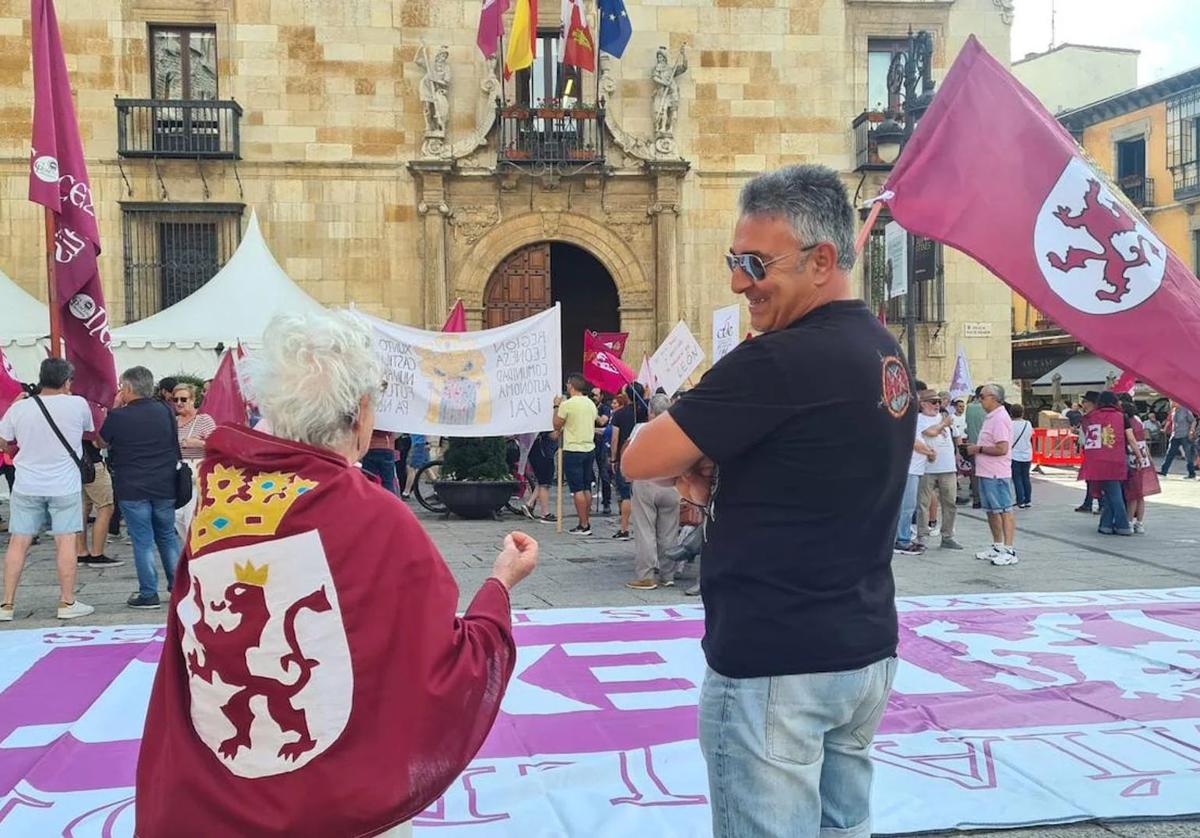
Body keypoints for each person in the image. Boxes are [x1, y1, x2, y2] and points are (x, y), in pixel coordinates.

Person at [135, 309, 537, 837]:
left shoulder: (218, 502)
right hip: (342, 807)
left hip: (222, 799)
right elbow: (443, 661)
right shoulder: (375, 514)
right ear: (362, 411)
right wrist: (499, 586)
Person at [622, 164, 907, 838]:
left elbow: (638, 456)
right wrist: (723, 477)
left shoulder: (779, 360)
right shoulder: (882, 349)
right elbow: (815, 468)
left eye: (754, 263)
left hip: (779, 658)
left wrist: (696, 455)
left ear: (822, 261)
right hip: (861, 649)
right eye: (732, 260)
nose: (737, 282)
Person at [0, 358, 96, 621]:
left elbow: (3, 439)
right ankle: (67, 602)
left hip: (26, 483)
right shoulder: (77, 404)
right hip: (63, 484)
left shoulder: (20, 409)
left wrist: (13, 447)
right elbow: (89, 431)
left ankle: (6, 604)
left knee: (19, 542)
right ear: (67, 381)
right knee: (65, 540)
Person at [100, 366, 183, 610]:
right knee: (167, 536)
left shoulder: (118, 416)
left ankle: (148, 592)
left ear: (127, 388)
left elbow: (101, 441)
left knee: (143, 540)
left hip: (132, 485)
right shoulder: (165, 411)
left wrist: (114, 409)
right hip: (165, 483)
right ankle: (177, 587)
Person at [625, 394, 681, 590]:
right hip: (672, 484)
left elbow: (629, 453)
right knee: (669, 531)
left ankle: (646, 575)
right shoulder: (679, 429)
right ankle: (668, 574)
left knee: (645, 529)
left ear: (650, 411)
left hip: (647, 481)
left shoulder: (642, 429)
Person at [967, 384, 1017, 566]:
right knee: (991, 511)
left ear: (993, 398)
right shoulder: (991, 417)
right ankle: (998, 545)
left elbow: (1002, 448)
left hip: (997, 472)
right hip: (986, 471)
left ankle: (1009, 549)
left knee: (1004, 509)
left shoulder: (1000, 418)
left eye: (982, 396)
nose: (980, 400)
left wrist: (978, 448)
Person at [1082, 391, 1133, 536]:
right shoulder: (1122, 416)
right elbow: (1130, 437)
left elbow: (1089, 440)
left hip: (1099, 460)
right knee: (1114, 493)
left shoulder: (1092, 417)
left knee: (1111, 493)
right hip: (1117, 459)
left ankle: (1114, 525)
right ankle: (1113, 525)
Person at [554, 374, 599, 536]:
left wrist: (556, 407)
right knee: (587, 487)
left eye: (567, 384)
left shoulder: (567, 405)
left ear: (571, 386)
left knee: (577, 489)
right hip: (589, 448)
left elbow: (556, 424)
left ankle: (583, 524)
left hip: (573, 449)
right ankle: (585, 520)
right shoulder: (591, 404)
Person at [916, 391, 962, 550]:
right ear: (923, 404)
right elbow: (930, 432)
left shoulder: (944, 418)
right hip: (927, 468)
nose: (937, 405)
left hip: (948, 467)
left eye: (938, 402)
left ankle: (948, 536)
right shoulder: (920, 419)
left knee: (950, 503)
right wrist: (944, 423)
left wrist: (957, 453)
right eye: (933, 402)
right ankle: (921, 535)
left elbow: (956, 436)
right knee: (923, 503)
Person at [609, 383, 648, 541]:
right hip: (644, 457)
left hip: (626, 456)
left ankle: (624, 528)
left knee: (626, 494)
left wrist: (613, 458)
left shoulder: (619, 414)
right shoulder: (646, 412)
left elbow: (614, 438)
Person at [896, 401, 935, 557]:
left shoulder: (914, 419)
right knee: (907, 507)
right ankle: (902, 540)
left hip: (915, 469)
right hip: (910, 468)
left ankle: (901, 537)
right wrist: (929, 452)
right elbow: (912, 441)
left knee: (907, 506)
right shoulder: (909, 420)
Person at [77, 431, 121, 566]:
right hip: (92, 464)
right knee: (106, 507)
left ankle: (81, 552)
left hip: (73, 465)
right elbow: (98, 442)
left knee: (82, 507)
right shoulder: (90, 412)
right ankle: (97, 553)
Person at [1122, 401, 1159, 534]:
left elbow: (1130, 441)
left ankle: (1129, 522)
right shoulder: (1138, 421)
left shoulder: (1126, 423)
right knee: (1140, 495)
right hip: (1144, 457)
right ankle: (1140, 523)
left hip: (1133, 457)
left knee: (1133, 494)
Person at [1074, 391, 1101, 513]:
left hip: (1094, 452)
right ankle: (1089, 502)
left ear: (1092, 403)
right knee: (1091, 479)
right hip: (1092, 451)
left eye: (1085, 402)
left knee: (1095, 479)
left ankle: (1100, 503)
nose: (1083, 404)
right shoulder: (1094, 416)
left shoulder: (1092, 417)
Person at [524, 430, 557, 523]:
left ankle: (529, 504)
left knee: (542, 480)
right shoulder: (546, 424)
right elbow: (553, 435)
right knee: (545, 484)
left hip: (538, 449)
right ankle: (545, 513)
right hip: (544, 452)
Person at [1159, 400, 1197, 479]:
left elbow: (1193, 421)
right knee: (1170, 453)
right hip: (1175, 435)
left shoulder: (1185, 410)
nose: (1171, 404)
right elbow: (1171, 422)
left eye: (1172, 402)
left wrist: (1191, 430)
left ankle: (1191, 473)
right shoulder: (1173, 410)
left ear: (1177, 402)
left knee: (1188, 455)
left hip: (1184, 435)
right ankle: (1164, 471)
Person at [964, 387, 987, 508]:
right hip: (985, 446)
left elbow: (967, 426)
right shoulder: (986, 409)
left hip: (972, 443)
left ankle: (976, 499)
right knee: (986, 473)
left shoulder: (969, 407)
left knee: (974, 473)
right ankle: (985, 497)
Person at [592, 389, 613, 515]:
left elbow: (602, 421)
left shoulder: (605, 408)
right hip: (588, 442)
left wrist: (592, 411)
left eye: (595, 395)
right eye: (592, 395)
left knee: (604, 473)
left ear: (601, 397)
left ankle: (606, 502)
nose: (593, 397)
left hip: (601, 443)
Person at [1009, 404, 1034, 509]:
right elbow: (1031, 435)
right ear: (1022, 412)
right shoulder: (1028, 424)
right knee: (1026, 477)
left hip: (1014, 454)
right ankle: (1028, 500)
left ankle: (1020, 500)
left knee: (1017, 478)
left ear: (1011, 413)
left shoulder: (1010, 425)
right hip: (1027, 453)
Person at [362, 427, 399, 494]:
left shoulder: (373, 417)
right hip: (387, 447)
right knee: (388, 482)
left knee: (369, 480)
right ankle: (389, 502)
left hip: (371, 447)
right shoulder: (392, 418)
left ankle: (370, 501)